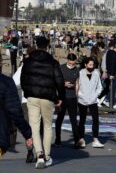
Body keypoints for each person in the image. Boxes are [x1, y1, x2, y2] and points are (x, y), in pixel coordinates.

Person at [20, 36, 65, 168]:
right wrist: (60, 97)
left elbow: (23, 80)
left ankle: (39, 154)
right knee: (47, 125)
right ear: (47, 46)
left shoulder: (28, 61)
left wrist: (27, 92)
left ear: (36, 45)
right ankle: (47, 155)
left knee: (34, 126)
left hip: (32, 96)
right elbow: (59, 80)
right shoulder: (52, 62)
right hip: (48, 96)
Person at [77, 57, 104, 148]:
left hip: (93, 100)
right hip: (82, 100)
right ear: (85, 64)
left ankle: (95, 139)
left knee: (95, 119)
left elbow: (99, 86)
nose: (92, 66)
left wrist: (96, 95)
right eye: (90, 65)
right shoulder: (80, 73)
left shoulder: (96, 73)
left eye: (93, 65)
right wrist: (81, 95)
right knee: (82, 120)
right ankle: (81, 139)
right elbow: (77, 86)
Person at [55, 53, 80, 147]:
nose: (72, 64)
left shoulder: (77, 70)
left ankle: (76, 140)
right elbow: (56, 81)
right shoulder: (61, 68)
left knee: (73, 119)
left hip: (72, 97)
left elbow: (77, 82)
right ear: (67, 60)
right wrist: (64, 84)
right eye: (70, 62)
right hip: (62, 97)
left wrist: (76, 94)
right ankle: (58, 139)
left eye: (74, 62)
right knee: (60, 118)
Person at [105, 41, 116, 109]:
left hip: (112, 73)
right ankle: (111, 101)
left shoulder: (110, 52)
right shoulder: (114, 54)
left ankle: (108, 99)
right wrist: (111, 74)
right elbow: (112, 64)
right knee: (113, 88)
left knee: (114, 88)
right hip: (113, 73)